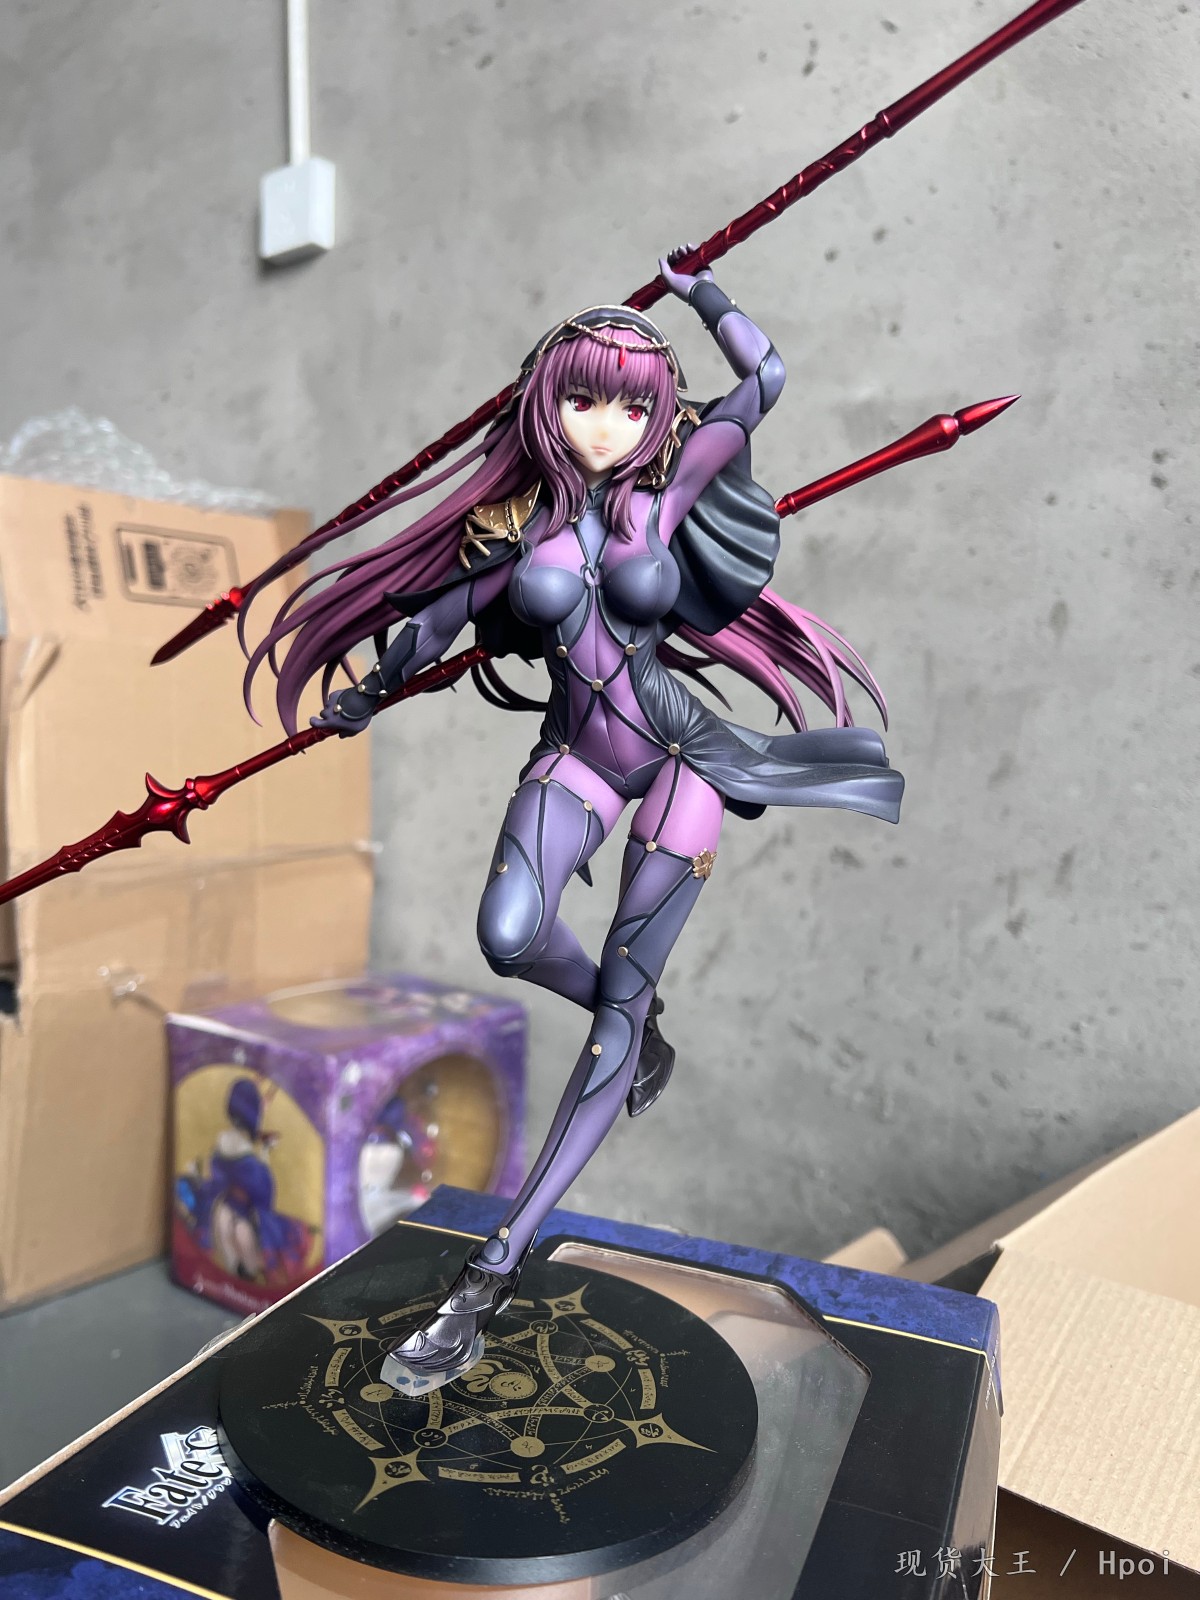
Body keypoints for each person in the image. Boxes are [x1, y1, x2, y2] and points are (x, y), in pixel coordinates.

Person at [241, 248, 903, 1389]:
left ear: (658, 415)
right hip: (577, 757)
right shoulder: (514, 531)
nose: (607, 425)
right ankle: (636, 1019)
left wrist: (701, 290)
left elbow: (764, 378)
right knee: (509, 935)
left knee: (612, 1016)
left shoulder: (667, 497)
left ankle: (492, 1269)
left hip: (681, 754)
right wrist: (368, 690)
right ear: (547, 406)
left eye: (631, 405)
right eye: (585, 400)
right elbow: (435, 617)